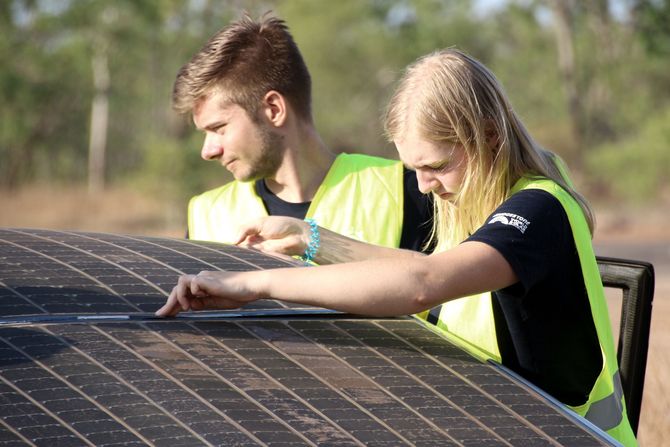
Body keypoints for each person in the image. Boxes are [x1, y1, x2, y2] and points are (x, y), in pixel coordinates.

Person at [158, 49, 637, 446]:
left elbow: (422, 285)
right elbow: (428, 266)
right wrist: (314, 240)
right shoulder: (480, 201)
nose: (424, 186)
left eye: (436, 166)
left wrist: (254, 284)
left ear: (489, 136)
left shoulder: (537, 210)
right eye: (414, 169)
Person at [172, 13, 432, 252]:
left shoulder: (409, 190)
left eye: (218, 128)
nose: (207, 151)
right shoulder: (204, 215)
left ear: (274, 109)